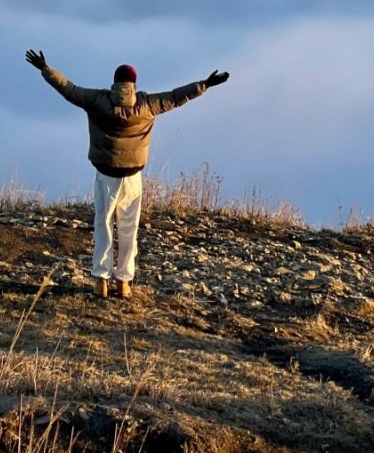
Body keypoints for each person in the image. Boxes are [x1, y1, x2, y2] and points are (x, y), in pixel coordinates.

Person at [25, 50, 229, 299]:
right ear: (133, 83)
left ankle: (101, 280)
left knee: (103, 225)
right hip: (132, 178)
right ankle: (123, 283)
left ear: (116, 82)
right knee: (129, 229)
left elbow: (69, 89)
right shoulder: (147, 104)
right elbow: (177, 97)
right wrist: (204, 84)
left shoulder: (97, 100)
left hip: (105, 175)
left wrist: (46, 68)